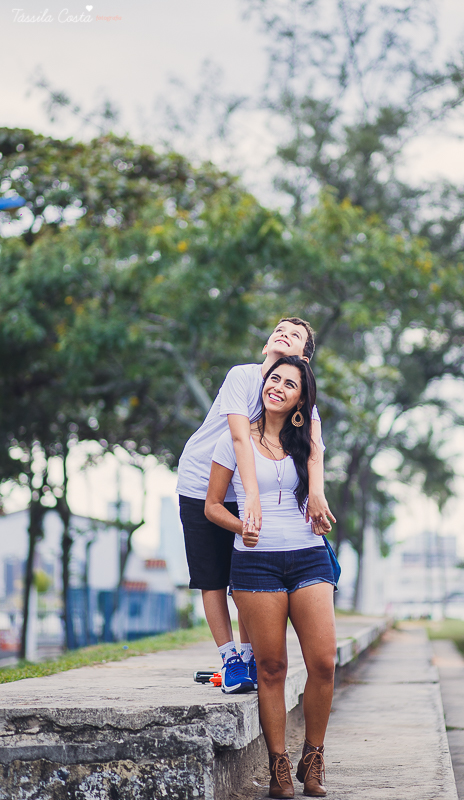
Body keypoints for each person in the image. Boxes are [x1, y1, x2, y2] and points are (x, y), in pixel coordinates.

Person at [176, 318, 336, 694]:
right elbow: (238, 436)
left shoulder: (300, 396)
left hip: (247, 487)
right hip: (203, 481)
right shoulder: (242, 376)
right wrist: (249, 495)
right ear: (266, 346)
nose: (284, 334)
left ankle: (248, 656)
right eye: (279, 329)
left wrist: (317, 493)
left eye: (295, 335)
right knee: (212, 577)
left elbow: (314, 450)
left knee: (245, 575)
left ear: (303, 360)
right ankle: (230, 658)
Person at [205, 355, 337, 798]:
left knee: (323, 662)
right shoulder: (233, 440)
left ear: (302, 399)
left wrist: (318, 511)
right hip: (255, 563)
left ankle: (313, 757)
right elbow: (212, 507)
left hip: (309, 558)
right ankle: (278, 763)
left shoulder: (308, 443)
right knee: (273, 667)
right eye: (273, 379)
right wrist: (242, 525)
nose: (277, 386)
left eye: (289, 384)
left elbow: (315, 488)